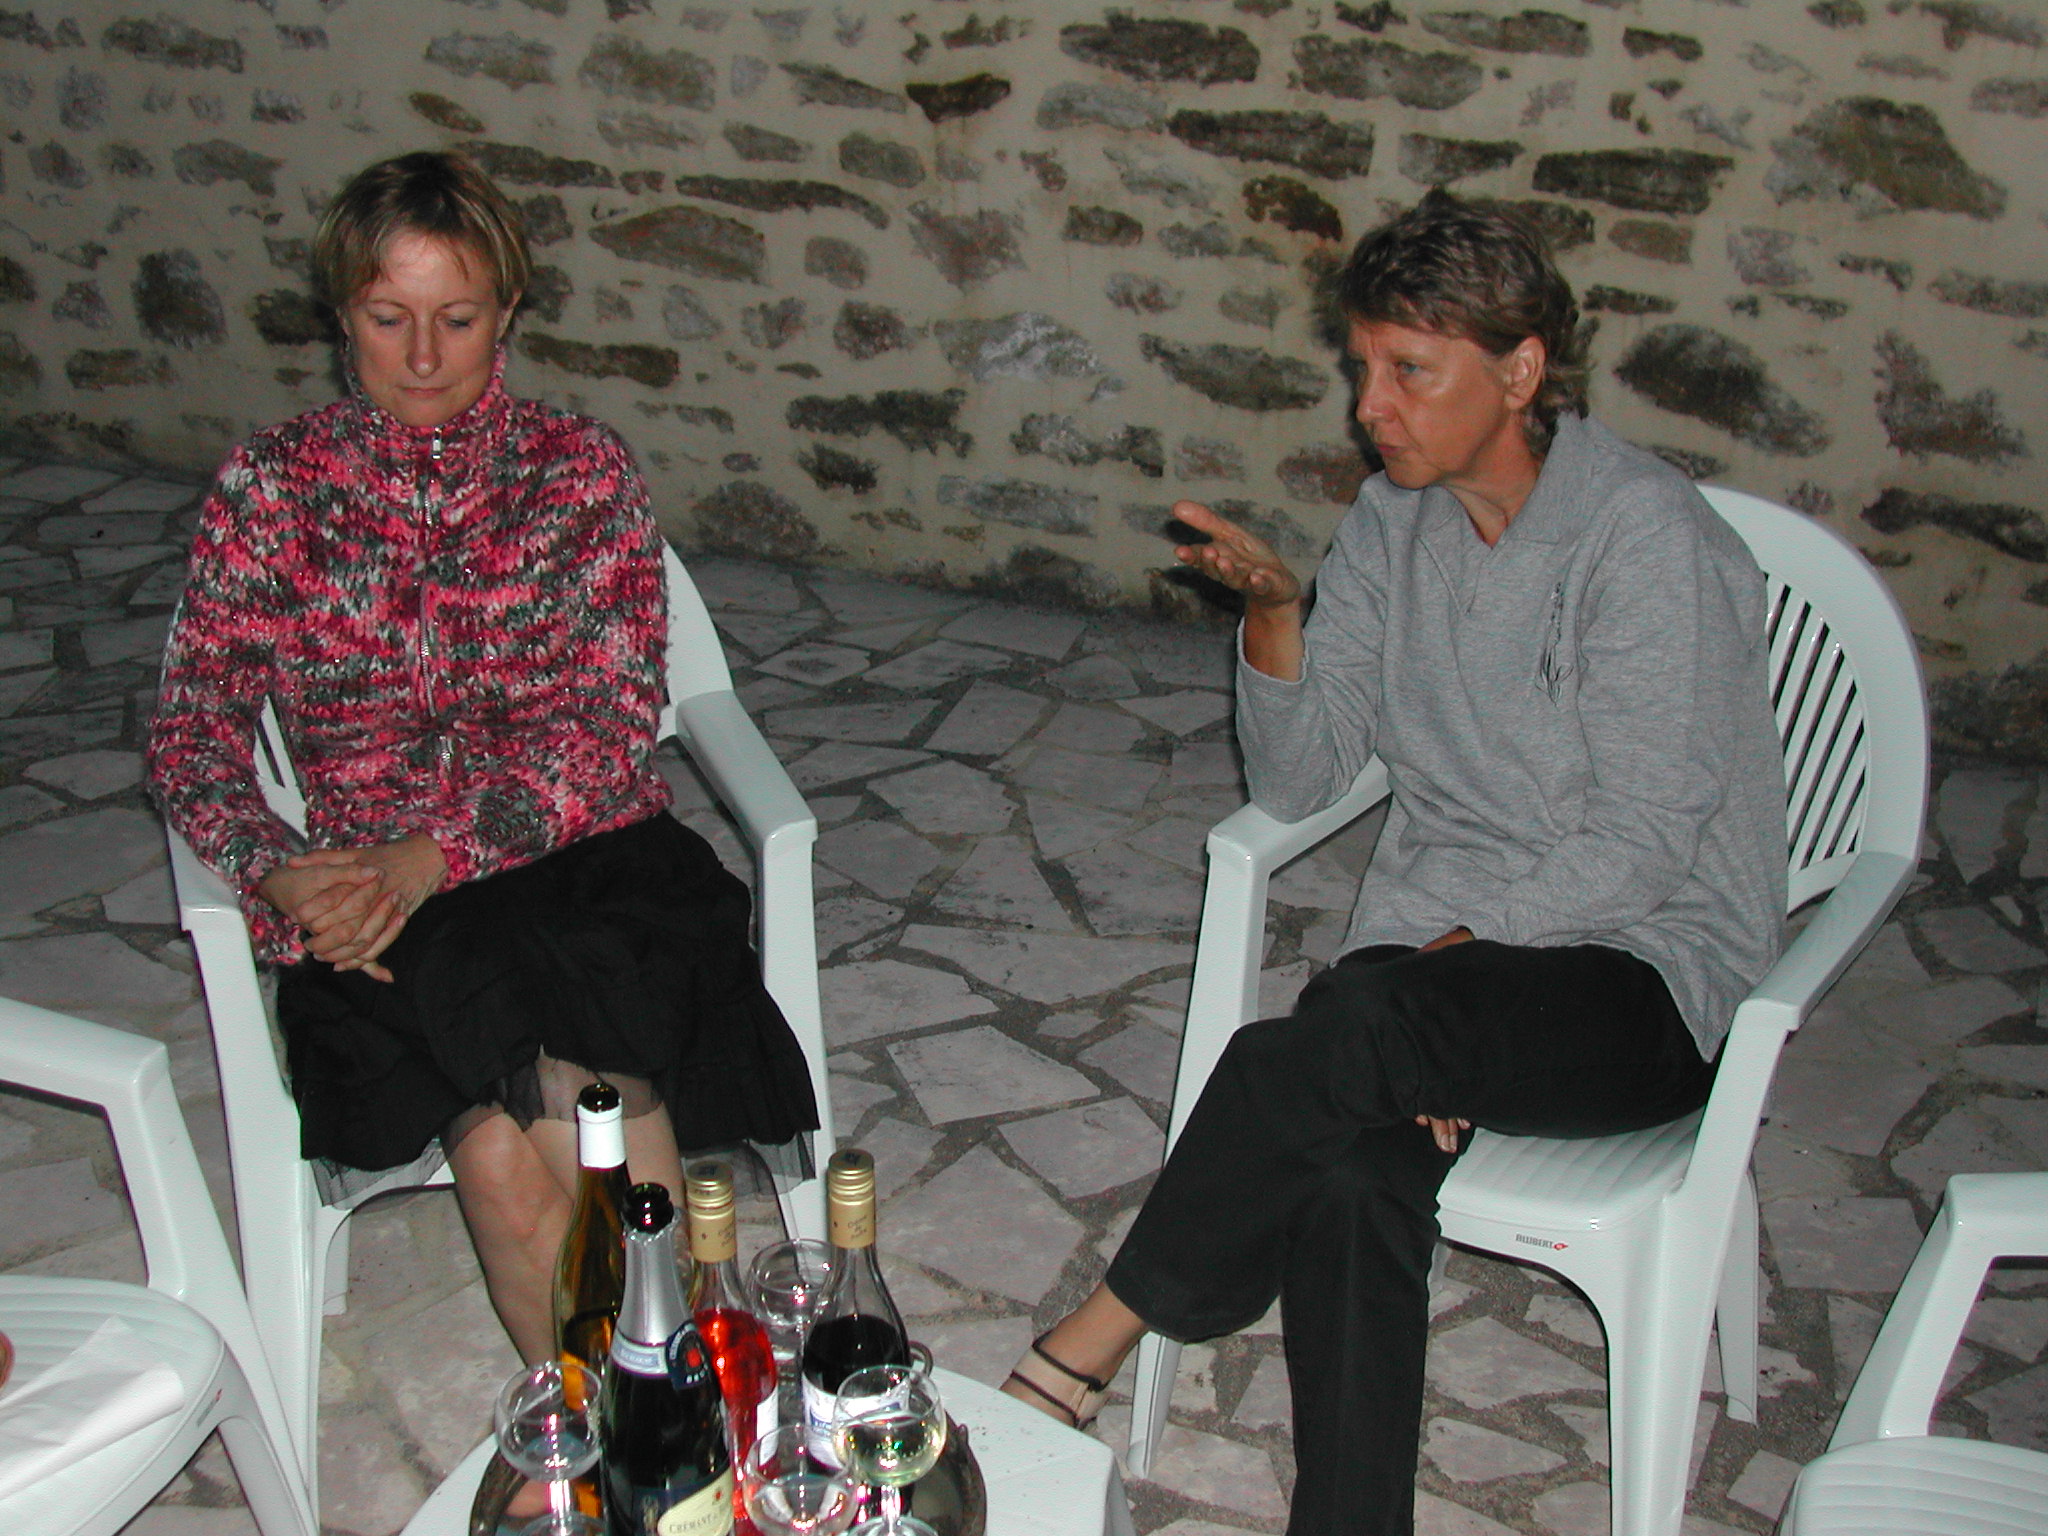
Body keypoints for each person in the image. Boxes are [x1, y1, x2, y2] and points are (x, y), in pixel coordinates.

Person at [1000, 191, 1787, 1533]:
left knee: (1356, 1024)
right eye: (1363, 367)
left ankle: (1090, 1337)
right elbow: (1300, 780)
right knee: (1354, 1159)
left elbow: (1645, 842)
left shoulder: (1645, 538)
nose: (1371, 406)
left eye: (1410, 370)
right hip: (1430, 985)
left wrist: (1440, 978)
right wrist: (1275, 619)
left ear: (1520, 371)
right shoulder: (1388, 522)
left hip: (1640, 974)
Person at [147, 151, 818, 1364]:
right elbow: (192, 730)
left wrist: (431, 854)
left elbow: (610, 723)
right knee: (509, 1173)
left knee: (587, 1141)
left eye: (454, 319)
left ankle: (651, 1415)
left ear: (505, 313)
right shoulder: (271, 489)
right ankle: (642, 1419)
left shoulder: (578, 470)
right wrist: (278, 871)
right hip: (377, 907)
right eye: (385, 318)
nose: (421, 357)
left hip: (586, 866)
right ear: (339, 314)